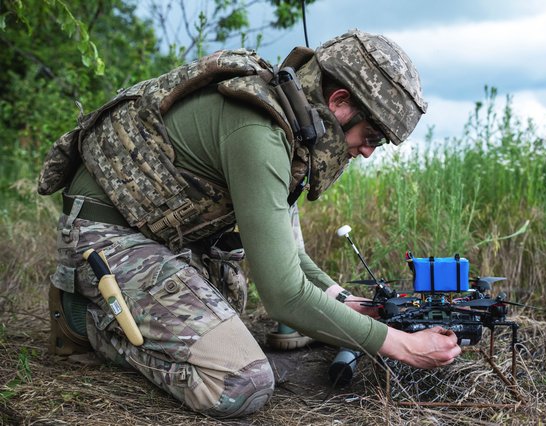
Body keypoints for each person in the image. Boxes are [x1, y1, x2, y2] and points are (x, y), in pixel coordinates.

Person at [38, 29, 461, 418]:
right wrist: (404, 346)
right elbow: (283, 296)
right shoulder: (258, 129)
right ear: (339, 102)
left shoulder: (291, 126)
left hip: (160, 235)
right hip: (106, 237)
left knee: (230, 302)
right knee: (241, 382)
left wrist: (344, 300)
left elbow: (290, 255)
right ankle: (88, 322)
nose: (367, 152)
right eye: (370, 136)